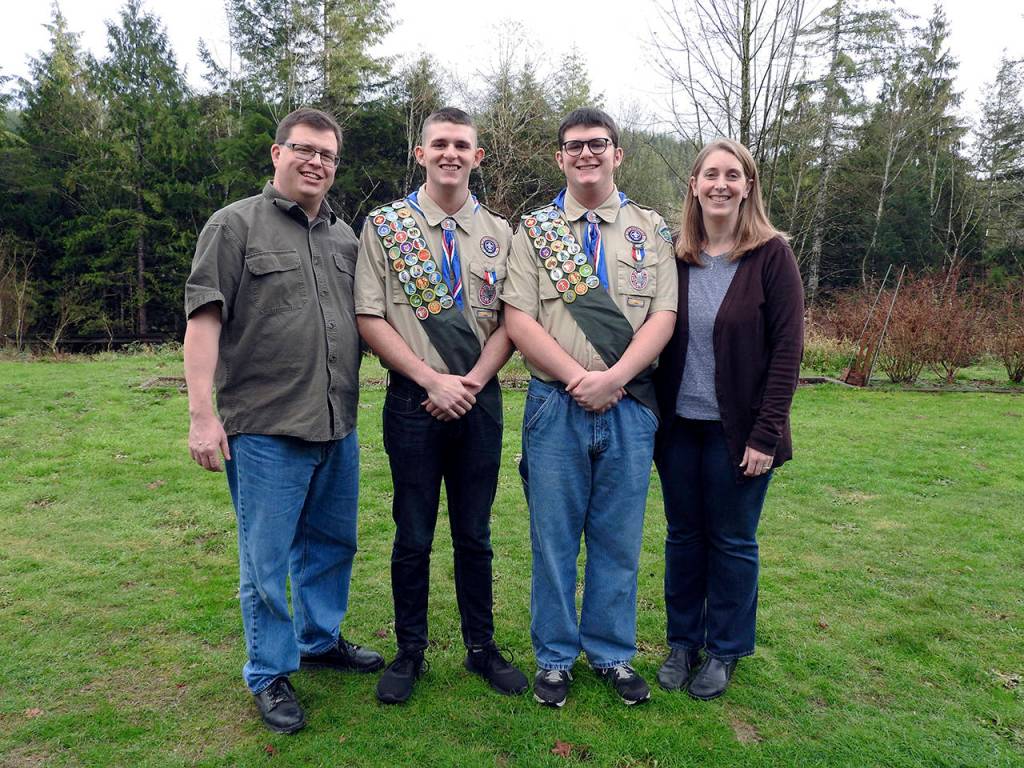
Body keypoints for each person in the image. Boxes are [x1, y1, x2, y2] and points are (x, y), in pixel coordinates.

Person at [183, 107, 383, 735]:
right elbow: (204, 321)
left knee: (331, 545)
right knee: (264, 561)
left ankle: (319, 639)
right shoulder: (233, 226)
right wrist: (201, 416)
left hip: (336, 425)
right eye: (304, 150)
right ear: (277, 154)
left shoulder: (347, 239)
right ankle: (269, 671)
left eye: (327, 155)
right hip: (265, 429)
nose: (315, 163)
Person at [503, 107, 678, 707]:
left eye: (597, 144)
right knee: (552, 539)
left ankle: (611, 654)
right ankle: (554, 658)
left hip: (631, 406)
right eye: (574, 146)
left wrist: (619, 378)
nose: (586, 154)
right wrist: (581, 377)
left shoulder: (650, 229)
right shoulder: (535, 232)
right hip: (556, 402)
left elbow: (664, 315)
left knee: (618, 538)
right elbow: (518, 318)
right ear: (560, 157)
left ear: (617, 153)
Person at [354, 107, 528, 704]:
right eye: (439, 144)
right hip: (412, 402)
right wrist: (432, 379)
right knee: (414, 533)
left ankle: (482, 649)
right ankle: (410, 652)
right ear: (420, 154)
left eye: (462, 145)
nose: (450, 153)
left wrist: (472, 382)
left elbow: (514, 320)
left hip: (479, 402)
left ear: (477, 157)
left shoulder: (503, 235)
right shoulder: (385, 228)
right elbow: (369, 317)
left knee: (475, 534)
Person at [653, 138, 804, 700]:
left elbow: (788, 350)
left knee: (733, 541)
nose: (721, 184)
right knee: (683, 538)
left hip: (739, 434)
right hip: (678, 430)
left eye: (732, 175)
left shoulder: (771, 255)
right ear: (694, 185)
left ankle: (725, 650)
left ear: (748, 186)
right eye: (710, 174)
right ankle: (682, 643)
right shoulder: (675, 256)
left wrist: (766, 433)